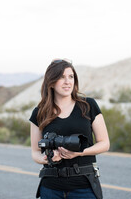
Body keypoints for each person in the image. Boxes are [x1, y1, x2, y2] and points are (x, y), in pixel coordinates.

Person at [29, 59, 110, 199]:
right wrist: (48, 158)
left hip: (84, 187)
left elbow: (104, 143)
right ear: (51, 82)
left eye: (71, 77)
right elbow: (35, 153)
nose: (67, 81)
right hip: (51, 188)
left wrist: (80, 153)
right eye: (61, 77)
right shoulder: (39, 112)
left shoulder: (88, 105)